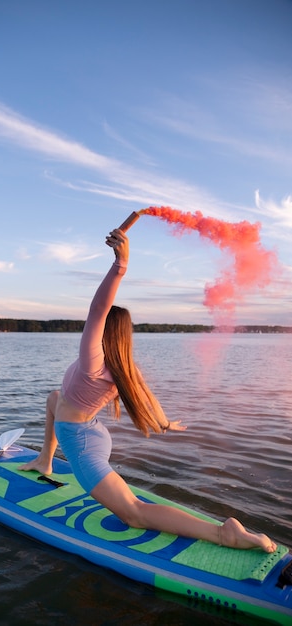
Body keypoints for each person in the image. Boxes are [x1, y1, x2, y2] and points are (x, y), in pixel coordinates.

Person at [20, 227, 276, 553]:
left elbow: (97, 309)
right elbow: (146, 395)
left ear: (104, 331)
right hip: (92, 431)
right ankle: (46, 460)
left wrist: (120, 266)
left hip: (81, 443)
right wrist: (164, 421)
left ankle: (223, 533)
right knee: (55, 398)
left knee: (134, 514)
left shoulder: (93, 362)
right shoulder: (123, 368)